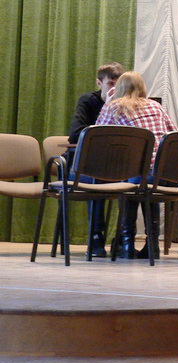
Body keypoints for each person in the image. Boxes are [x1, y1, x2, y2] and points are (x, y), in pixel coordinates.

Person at [95, 71, 177, 259]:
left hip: (133, 173)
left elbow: (97, 135)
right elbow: (174, 133)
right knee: (146, 187)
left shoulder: (114, 107)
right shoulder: (156, 106)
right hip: (160, 173)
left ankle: (127, 243)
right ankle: (153, 245)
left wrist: (107, 104)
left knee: (129, 183)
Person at [67, 61, 125, 257]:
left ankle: (123, 240)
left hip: (115, 165)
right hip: (83, 165)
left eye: (119, 84)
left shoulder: (128, 104)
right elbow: (75, 135)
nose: (115, 89)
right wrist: (107, 108)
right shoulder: (88, 101)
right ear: (99, 83)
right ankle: (96, 238)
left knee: (137, 179)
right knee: (97, 176)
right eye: (111, 84)